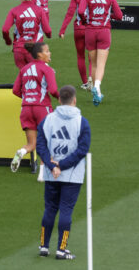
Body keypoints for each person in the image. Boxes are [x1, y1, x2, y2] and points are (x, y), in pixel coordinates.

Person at [36, 85, 91, 260]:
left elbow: (40, 145)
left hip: (52, 175)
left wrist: (53, 167)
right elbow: (82, 150)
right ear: (74, 100)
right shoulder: (82, 122)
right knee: (66, 210)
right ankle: (61, 249)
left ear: (59, 100)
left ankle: (44, 247)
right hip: (72, 176)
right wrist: (63, 165)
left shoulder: (48, 120)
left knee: (50, 209)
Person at [11, 42, 59, 177]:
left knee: (31, 144)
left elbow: (15, 90)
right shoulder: (47, 69)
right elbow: (53, 90)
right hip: (42, 108)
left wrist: (27, 97)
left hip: (26, 108)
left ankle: (21, 152)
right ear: (39, 54)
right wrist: (61, 98)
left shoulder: (24, 69)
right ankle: (42, 174)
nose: (50, 53)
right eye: (47, 51)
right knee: (47, 141)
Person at [77, 0, 123, 106]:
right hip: (104, 31)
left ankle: (95, 89)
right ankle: (97, 88)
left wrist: (87, 20)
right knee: (101, 64)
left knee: (94, 63)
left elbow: (80, 11)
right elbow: (119, 15)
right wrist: (108, 16)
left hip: (90, 31)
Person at [2, 0, 52, 70]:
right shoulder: (39, 10)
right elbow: (47, 30)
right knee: (37, 76)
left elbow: (5, 30)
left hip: (19, 49)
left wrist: (8, 41)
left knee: (25, 77)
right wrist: (48, 35)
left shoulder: (14, 11)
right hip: (35, 50)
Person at [59, 0, 92, 91]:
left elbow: (70, 13)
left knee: (80, 56)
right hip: (91, 29)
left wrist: (62, 30)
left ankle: (85, 83)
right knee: (91, 57)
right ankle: (91, 80)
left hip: (78, 29)